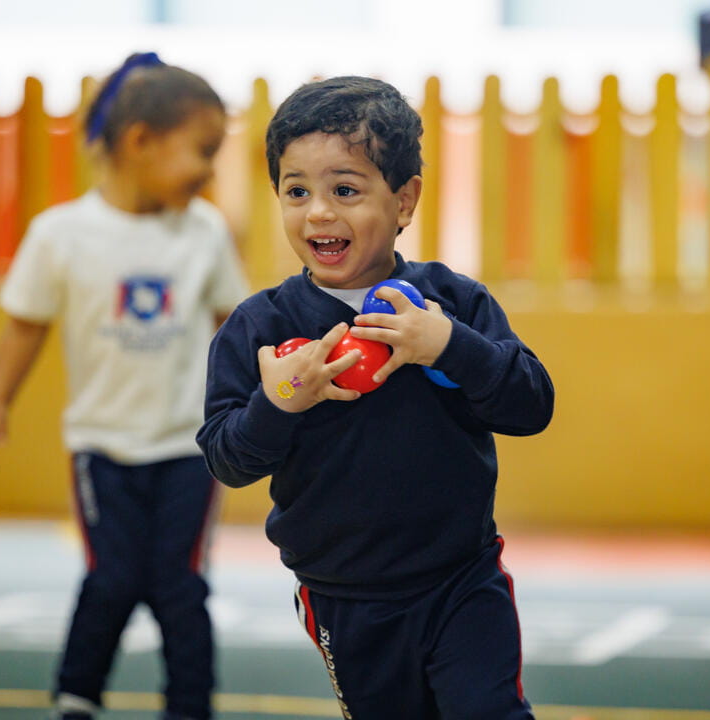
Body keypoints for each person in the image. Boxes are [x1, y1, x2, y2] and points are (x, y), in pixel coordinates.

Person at [196, 76, 554, 720]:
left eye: (346, 190)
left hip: (460, 578)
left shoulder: (455, 305)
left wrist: (450, 346)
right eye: (296, 191)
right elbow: (226, 458)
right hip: (343, 595)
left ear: (404, 200)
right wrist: (279, 403)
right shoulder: (259, 327)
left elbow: (531, 407)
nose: (319, 214)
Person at [0, 52, 249, 720]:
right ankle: (76, 697)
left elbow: (233, 326)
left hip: (187, 447)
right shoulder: (61, 235)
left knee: (180, 586)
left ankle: (189, 706)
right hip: (102, 446)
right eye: (202, 152)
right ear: (139, 143)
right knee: (113, 579)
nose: (211, 170)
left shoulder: (203, 233)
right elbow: (26, 326)